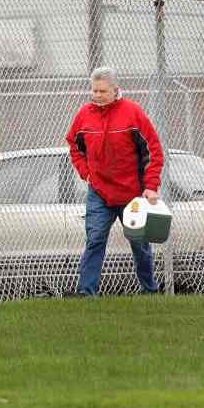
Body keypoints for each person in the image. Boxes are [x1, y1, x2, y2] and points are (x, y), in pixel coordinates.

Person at [66, 66, 165, 296]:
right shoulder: (84, 115)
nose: (97, 95)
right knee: (95, 239)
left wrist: (150, 187)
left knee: (140, 244)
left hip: (132, 193)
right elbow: (74, 146)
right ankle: (86, 292)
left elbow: (153, 150)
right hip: (99, 192)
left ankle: (149, 290)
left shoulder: (133, 113)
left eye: (103, 91)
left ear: (115, 90)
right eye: (94, 91)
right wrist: (86, 173)